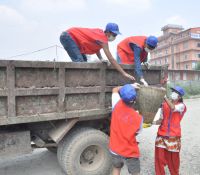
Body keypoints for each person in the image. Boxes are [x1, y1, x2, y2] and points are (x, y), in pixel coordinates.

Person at [60, 23, 135, 81]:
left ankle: (80, 81)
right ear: (108, 32)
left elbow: (97, 48)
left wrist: (101, 59)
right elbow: (111, 58)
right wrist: (123, 73)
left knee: (84, 62)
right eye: (114, 34)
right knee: (80, 62)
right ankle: (75, 82)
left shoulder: (100, 34)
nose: (115, 37)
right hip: (68, 36)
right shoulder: (103, 39)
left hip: (72, 39)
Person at [109, 83, 143, 175]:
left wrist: (130, 86)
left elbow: (115, 89)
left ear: (122, 97)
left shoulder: (116, 104)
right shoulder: (139, 118)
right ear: (135, 100)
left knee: (116, 168)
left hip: (115, 147)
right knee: (135, 172)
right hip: (130, 150)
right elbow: (136, 133)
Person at [153, 86, 187, 175]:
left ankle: (174, 173)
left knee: (173, 160)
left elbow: (173, 108)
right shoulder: (164, 105)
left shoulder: (181, 106)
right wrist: (151, 122)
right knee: (159, 158)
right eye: (173, 91)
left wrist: (164, 97)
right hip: (161, 134)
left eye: (175, 92)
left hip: (174, 136)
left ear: (179, 97)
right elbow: (161, 119)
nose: (173, 93)